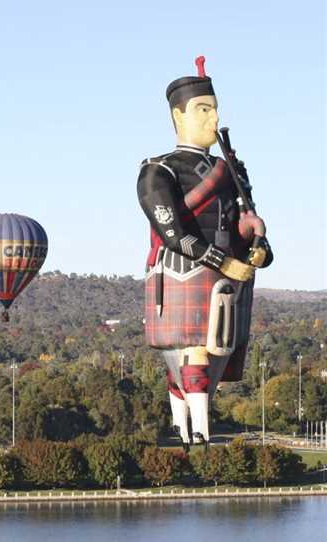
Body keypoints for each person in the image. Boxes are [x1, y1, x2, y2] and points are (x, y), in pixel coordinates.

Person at [136, 56, 273, 447]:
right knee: (189, 352)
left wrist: (257, 244)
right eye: (203, 110)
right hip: (183, 270)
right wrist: (223, 260)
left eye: (215, 110)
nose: (213, 119)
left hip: (230, 277)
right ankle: (193, 429)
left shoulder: (233, 169)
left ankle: (196, 426)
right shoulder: (157, 170)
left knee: (216, 347)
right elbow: (172, 231)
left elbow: (245, 217)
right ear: (179, 115)